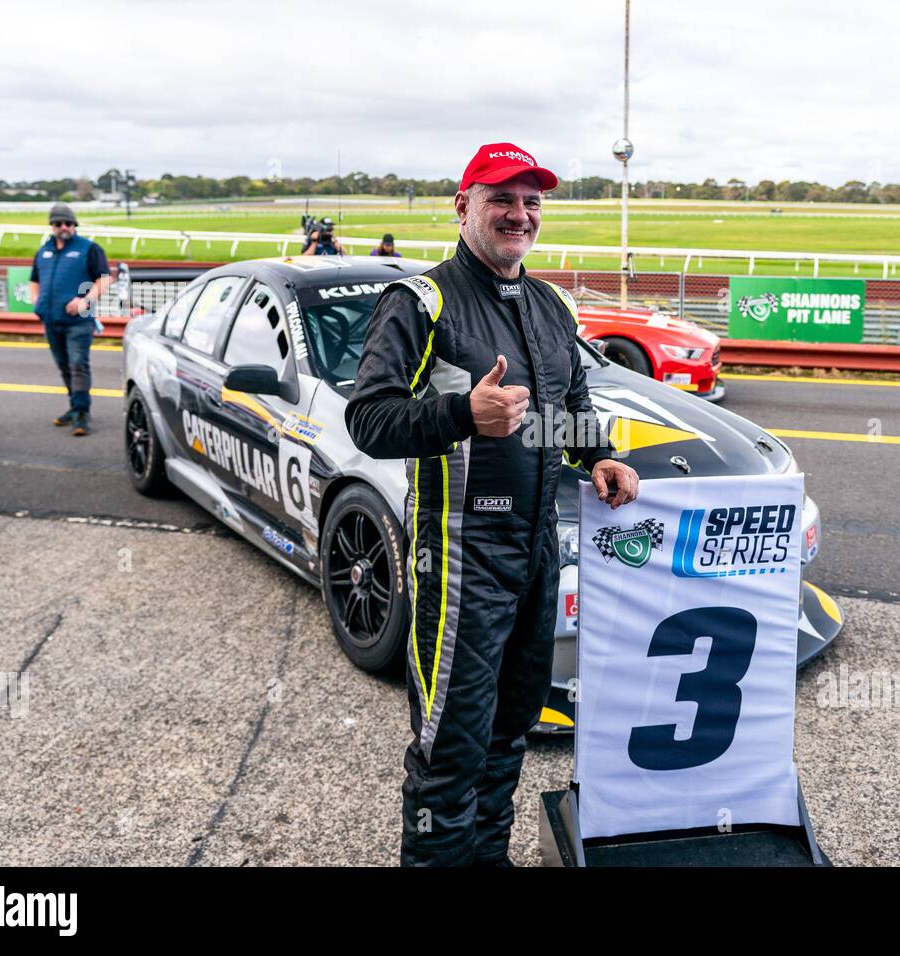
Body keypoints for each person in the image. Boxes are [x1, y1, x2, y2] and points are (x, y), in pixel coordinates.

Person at [346, 142, 639, 867]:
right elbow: (369, 421)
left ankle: (488, 858)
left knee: (511, 731)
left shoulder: (549, 303)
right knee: (452, 746)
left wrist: (597, 452)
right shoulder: (421, 301)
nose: (519, 213)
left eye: (531, 200)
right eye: (501, 198)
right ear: (464, 205)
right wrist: (460, 415)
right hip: (461, 558)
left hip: (537, 547)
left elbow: (563, 406)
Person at [29, 203, 110, 435]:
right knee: (64, 367)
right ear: (52, 226)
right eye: (58, 223)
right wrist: (37, 301)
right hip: (51, 321)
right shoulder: (44, 251)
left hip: (79, 322)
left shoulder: (89, 249)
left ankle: (82, 413)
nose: (63, 227)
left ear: (74, 225)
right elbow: (34, 280)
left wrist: (85, 301)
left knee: (78, 365)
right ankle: (75, 406)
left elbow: (104, 279)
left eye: (67, 223)